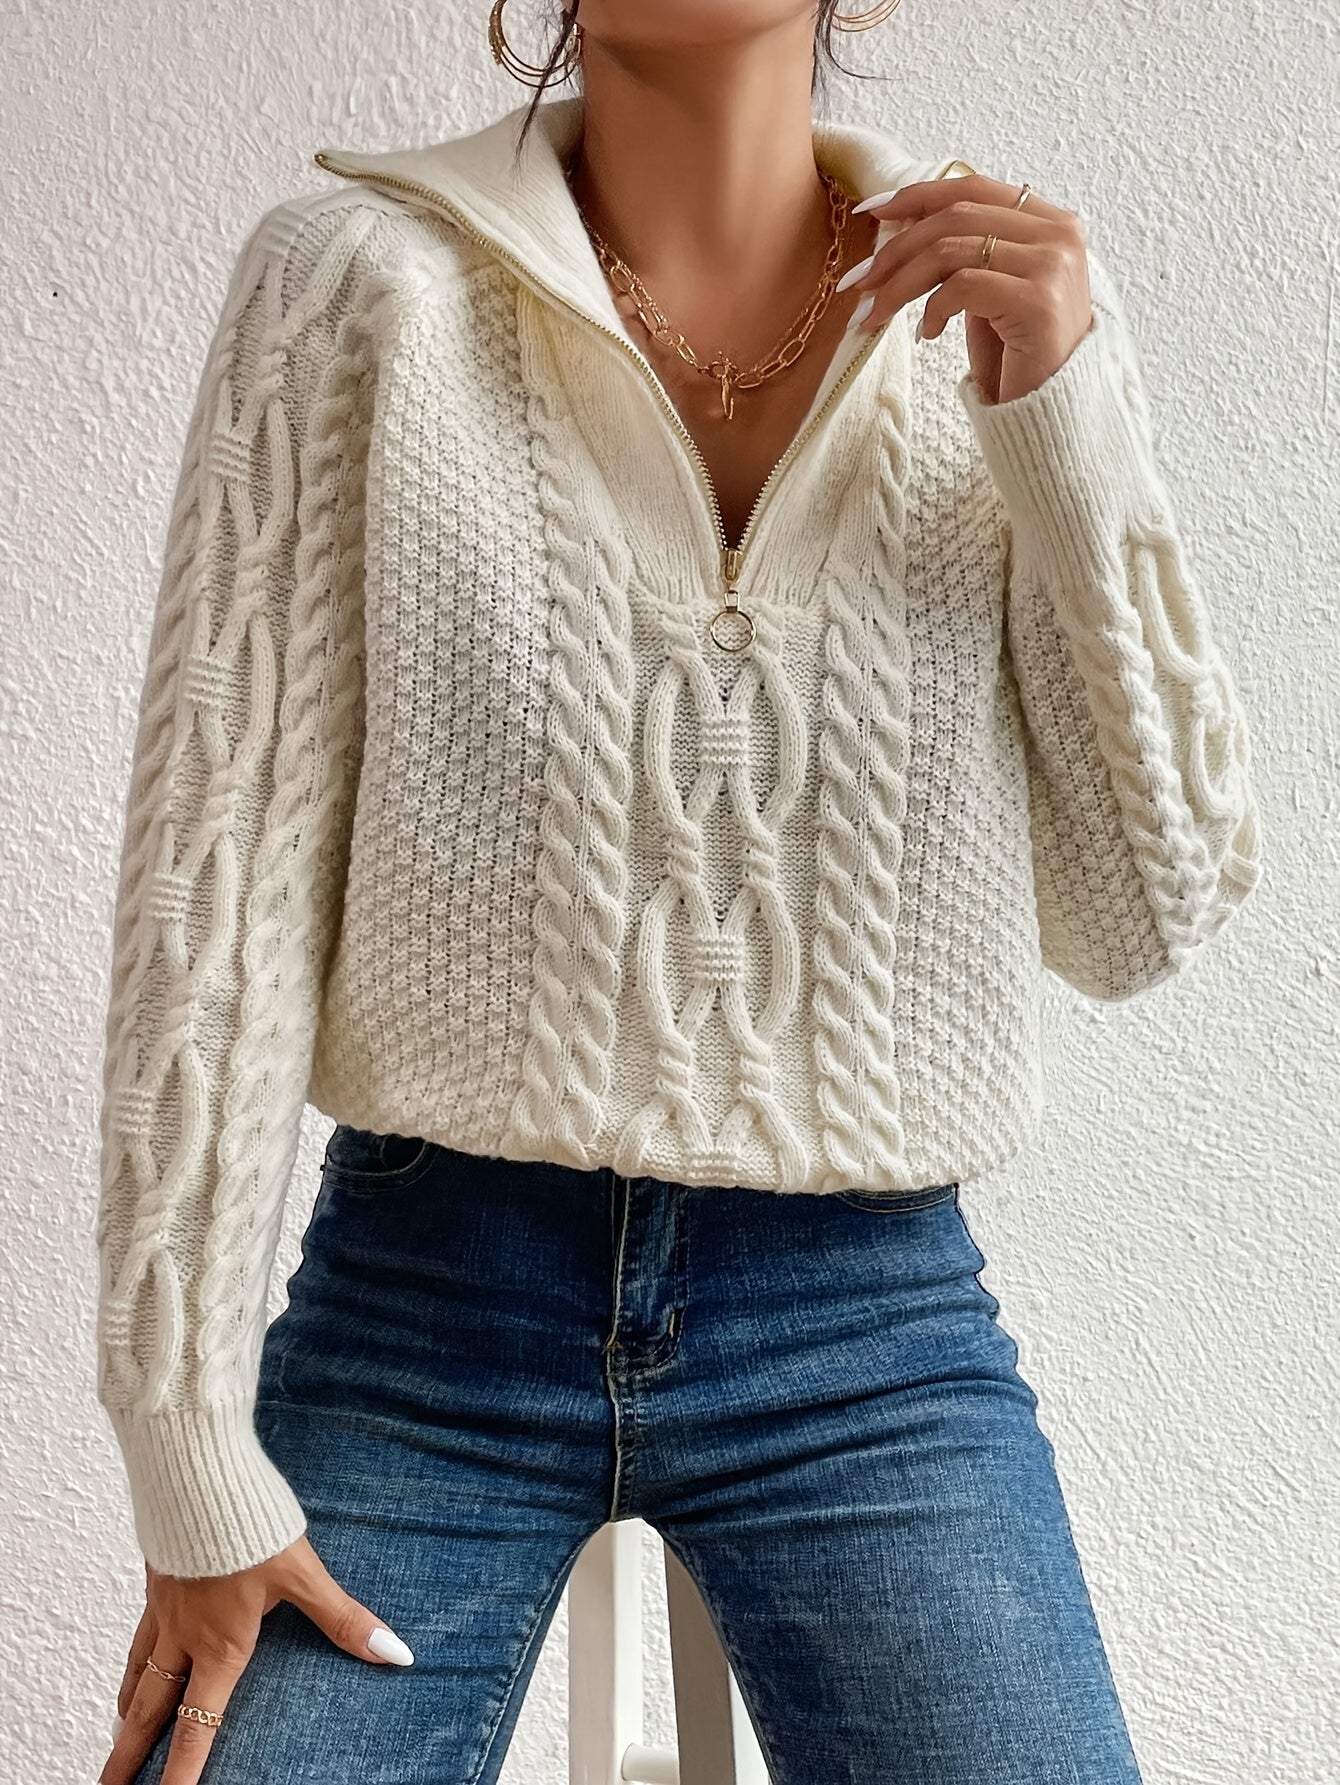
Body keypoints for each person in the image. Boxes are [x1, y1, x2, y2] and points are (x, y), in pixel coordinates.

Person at [94, 2, 1261, 1782]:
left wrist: (1064, 414)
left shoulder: (999, 325)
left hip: (866, 1334)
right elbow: (216, 882)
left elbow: (1145, 912)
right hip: (425, 1314)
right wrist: (185, 1447)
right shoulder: (356, 285)